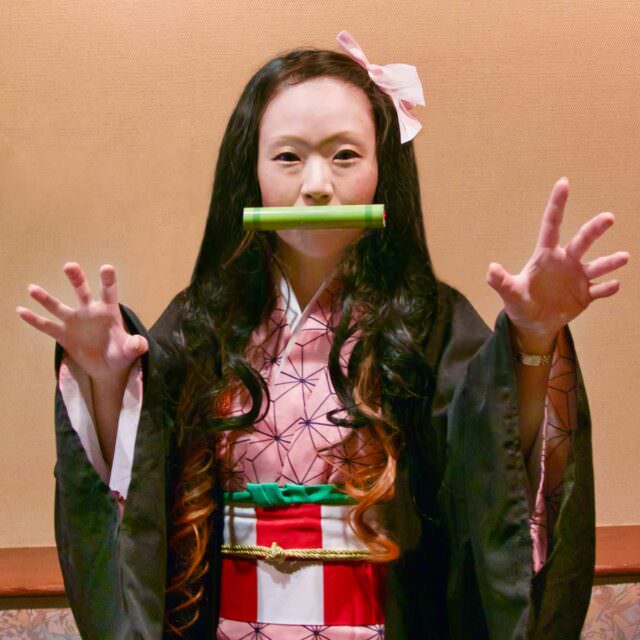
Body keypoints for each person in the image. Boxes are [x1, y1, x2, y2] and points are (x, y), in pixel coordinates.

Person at [16, 31, 629, 640]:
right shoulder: (203, 322)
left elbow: (495, 473)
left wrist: (532, 341)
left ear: (383, 170)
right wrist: (107, 383)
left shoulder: (429, 322)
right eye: (288, 157)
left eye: (345, 156)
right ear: (250, 172)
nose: (316, 185)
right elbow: (140, 492)